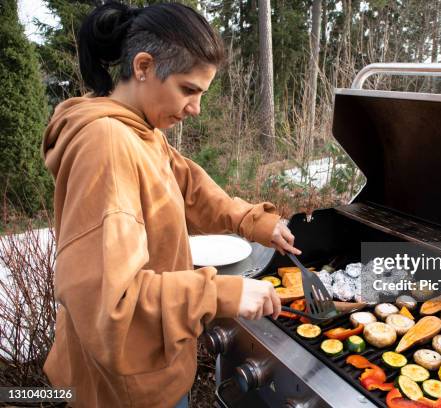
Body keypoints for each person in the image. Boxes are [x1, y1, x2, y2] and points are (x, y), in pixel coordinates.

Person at [41, 2, 300, 407]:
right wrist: (222, 294)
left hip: (152, 374)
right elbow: (113, 305)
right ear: (143, 66)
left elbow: (190, 190)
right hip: (123, 391)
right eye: (188, 90)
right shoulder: (107, 144)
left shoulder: (142, 131)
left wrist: (256, 222)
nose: (195, 109)